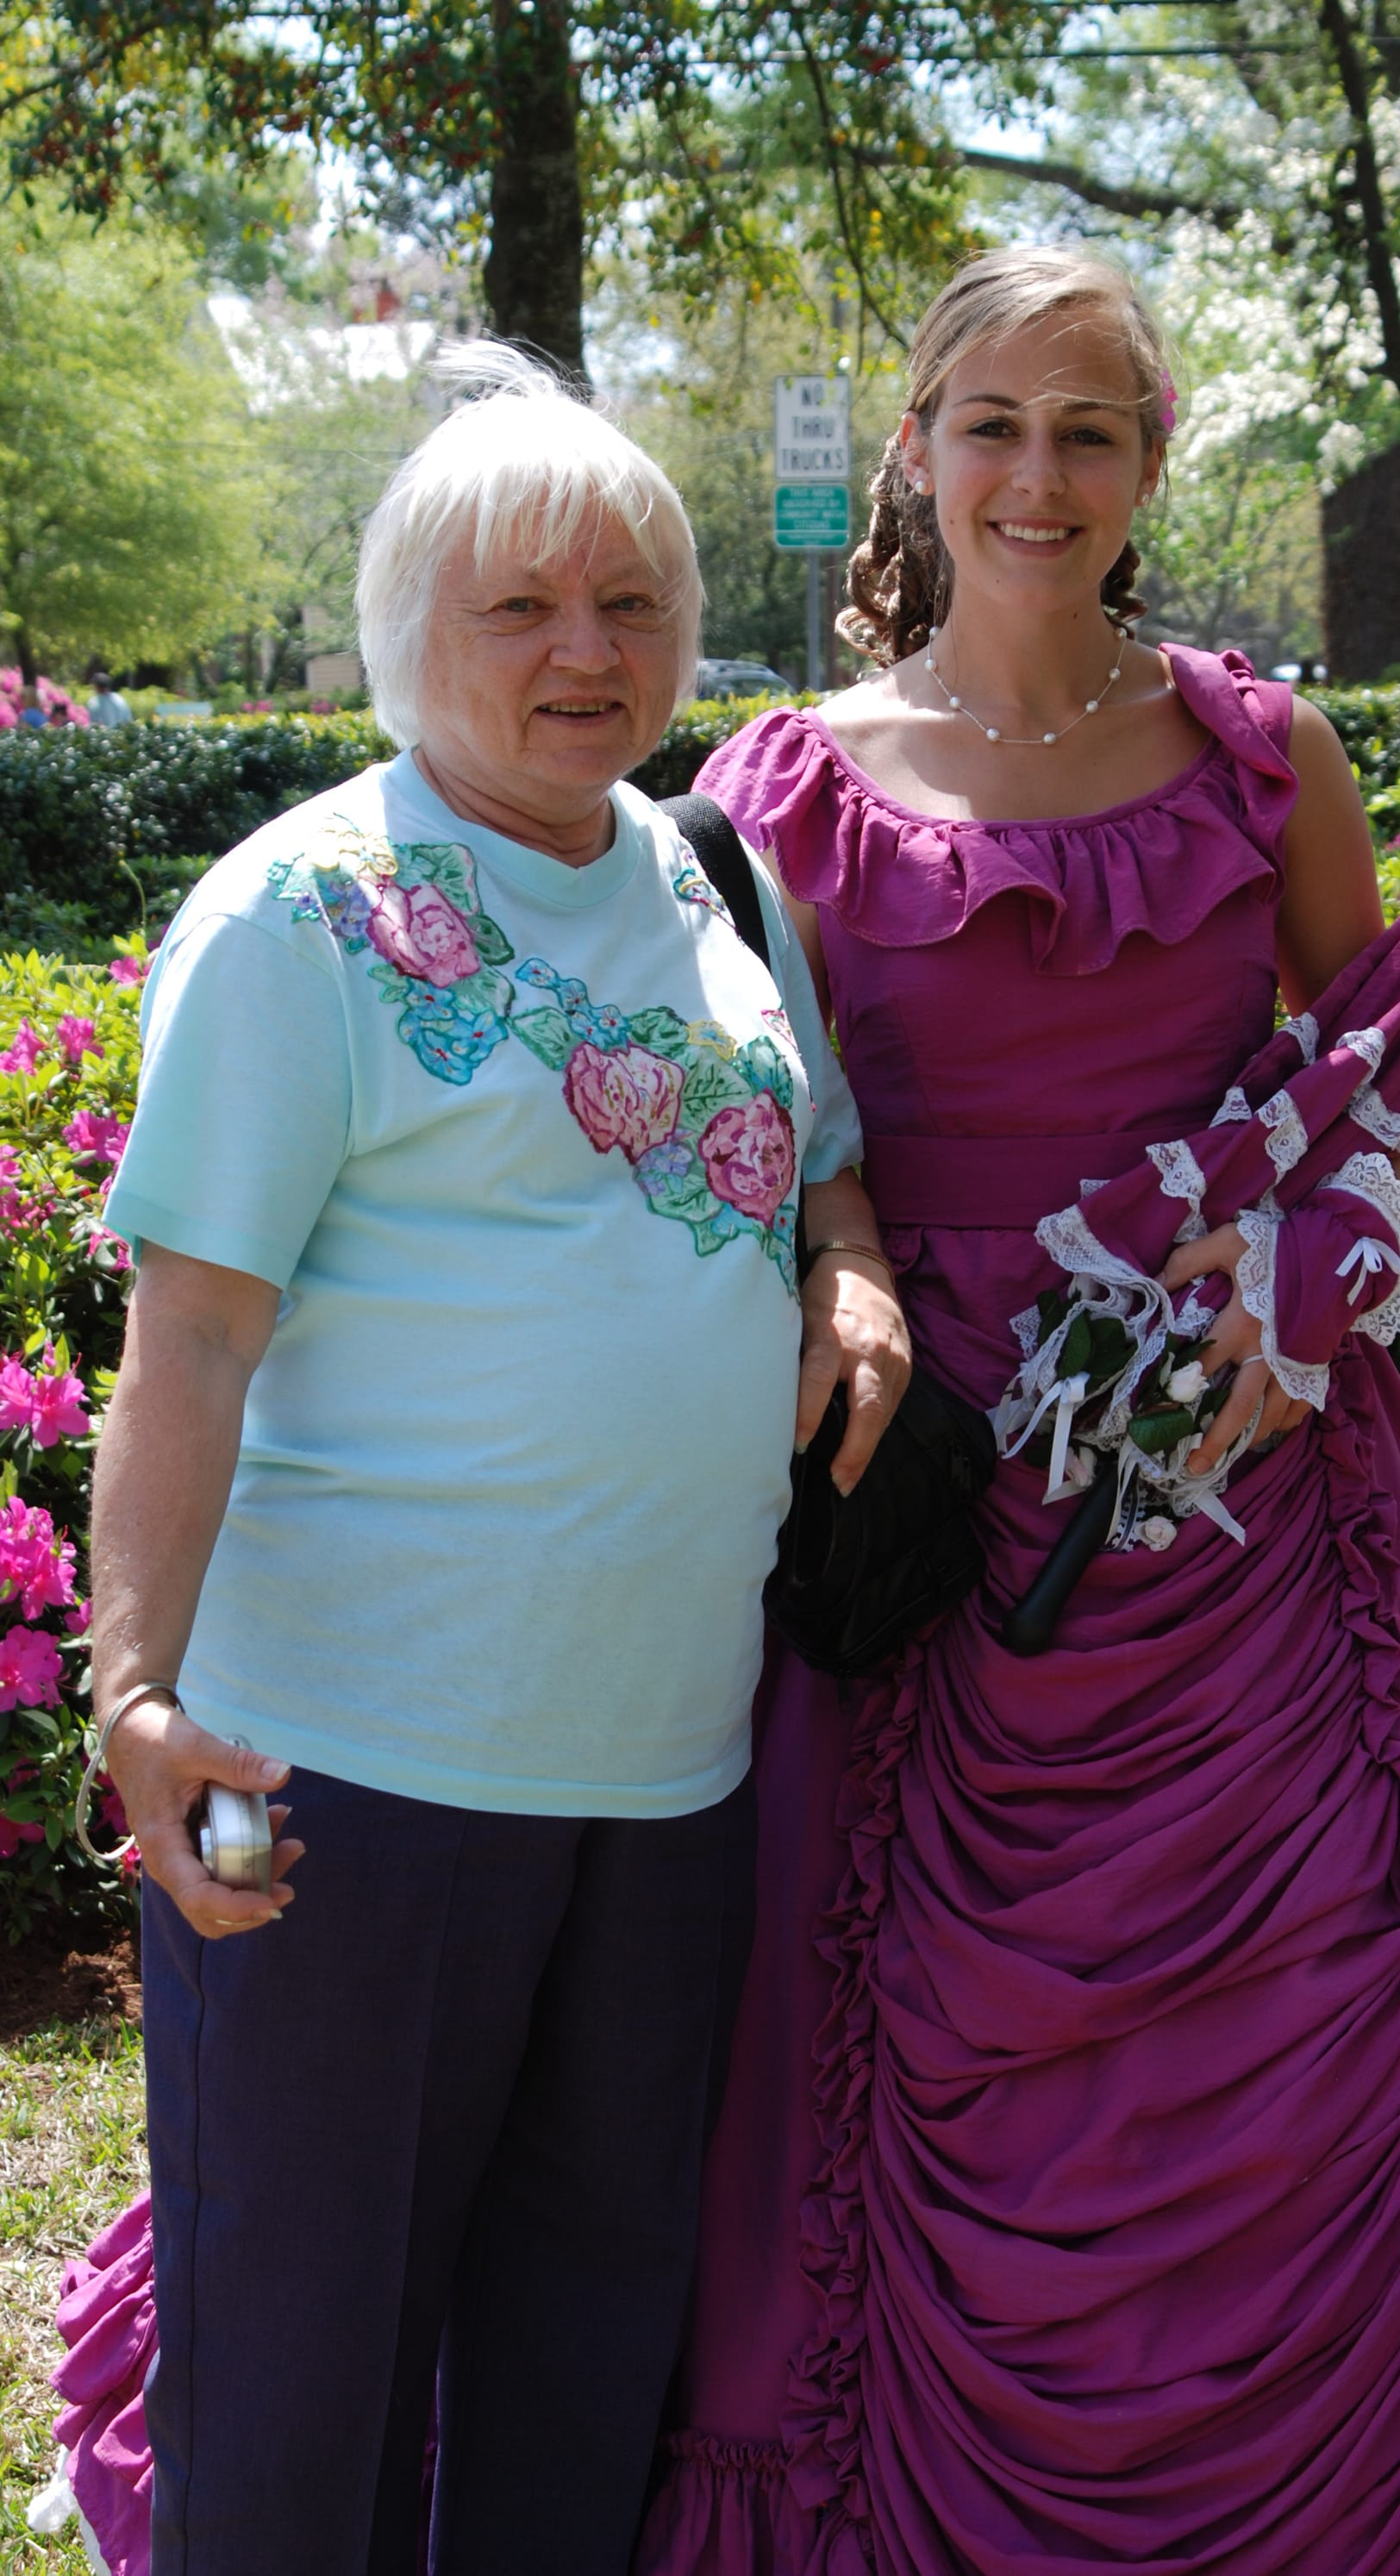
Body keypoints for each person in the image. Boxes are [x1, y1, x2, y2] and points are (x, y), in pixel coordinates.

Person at [634, 248, 1400, 2572]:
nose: (1041, 477)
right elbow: (752, 1151)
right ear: (919, 446)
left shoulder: (1264, 753)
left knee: (1351, 2078)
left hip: (1262, 1553)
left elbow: (1387, 1093)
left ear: (1151, 465)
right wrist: (841, 1295)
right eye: (997, 426)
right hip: (929, 1550)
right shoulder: (780, 798)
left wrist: (1309, 1289)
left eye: (1093, 431)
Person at [47, 342, 908, 2576]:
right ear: (403, 623)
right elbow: (193, 1338)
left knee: (585, 2351)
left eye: (629, 600)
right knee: (296, 2363)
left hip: (665, 1775)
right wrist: (133, 1693)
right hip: (327, 1765)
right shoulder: (298, 914)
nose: (586, 650)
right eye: (520, 605)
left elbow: (819, 1164)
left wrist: (852, 1267)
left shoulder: (716, 884)